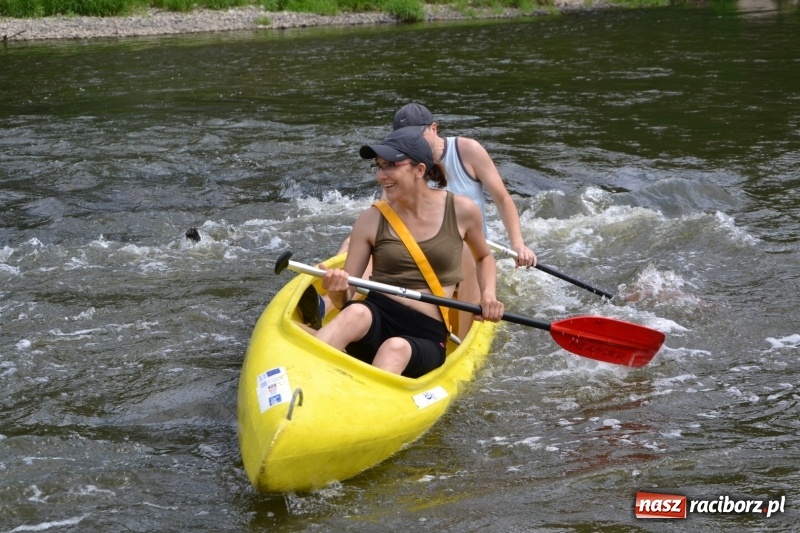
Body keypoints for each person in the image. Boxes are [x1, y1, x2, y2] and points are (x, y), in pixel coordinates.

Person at [315, 127, 504, 378]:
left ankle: (368, 408)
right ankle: (301, 382)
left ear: (420, 170)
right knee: (355, 311)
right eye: (378, 167)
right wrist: (337, 291)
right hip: (376, 317)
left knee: (395, 348)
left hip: (425, 334)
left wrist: (488, 295)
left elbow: (484, 257)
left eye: (390, 165)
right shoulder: (370, 219)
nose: (382, 175)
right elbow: (347, 297)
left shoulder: (462, 211)